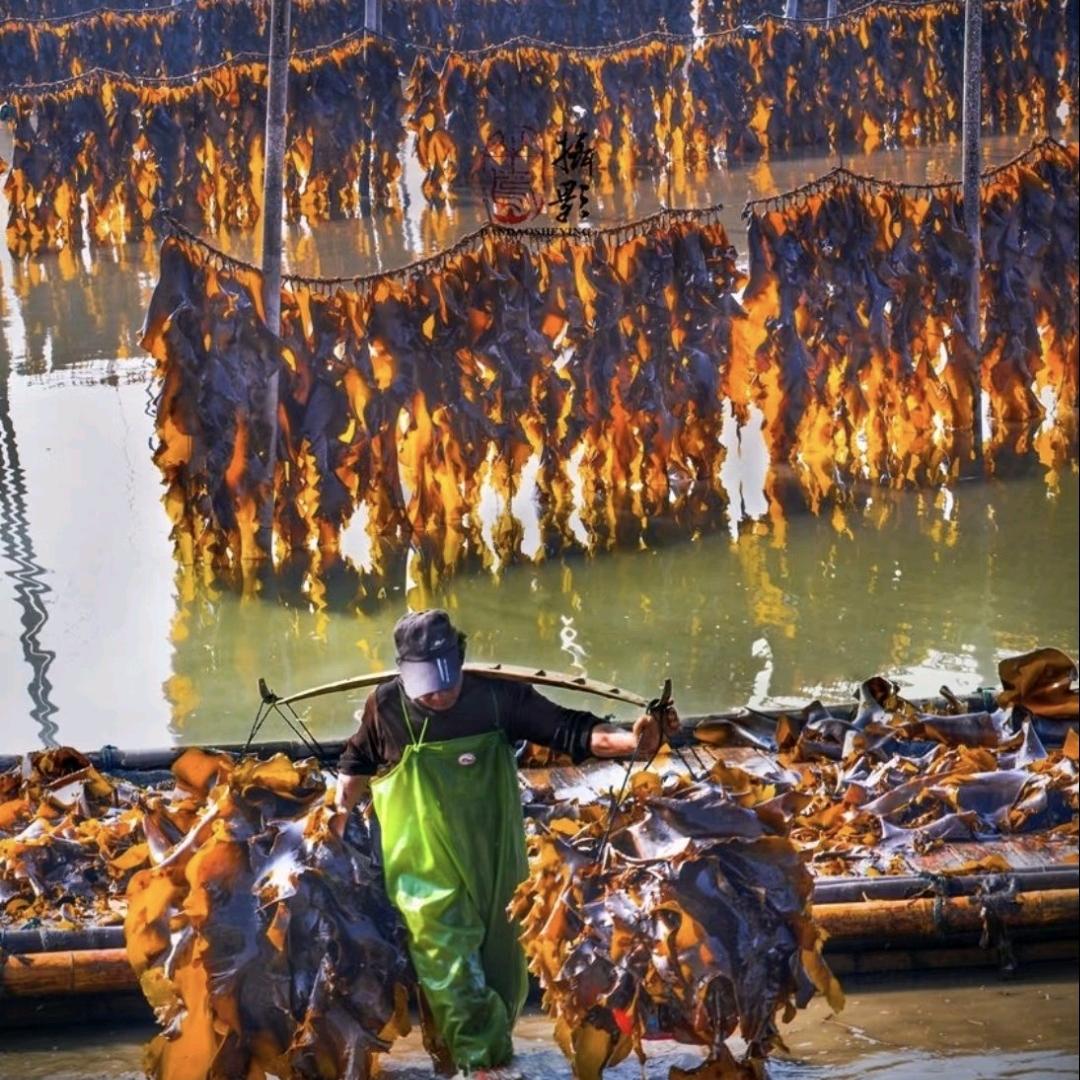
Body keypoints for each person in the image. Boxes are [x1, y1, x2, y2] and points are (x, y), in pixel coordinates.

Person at [333, 609, 678, 1080]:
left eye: (444, 680)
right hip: (420, 866)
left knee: (504, 975)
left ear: (461, 659)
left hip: (495, 856)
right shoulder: (388, 706)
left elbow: (571, 729)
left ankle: (461, 1059)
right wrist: (334, 817)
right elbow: (356, 762)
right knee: (448, 964)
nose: (436, 693)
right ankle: (485, 1066)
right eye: (424, 684)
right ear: (403, 672)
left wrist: (632, 742)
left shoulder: (497, 698)